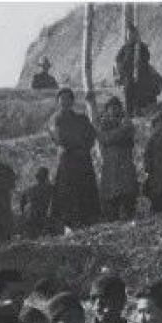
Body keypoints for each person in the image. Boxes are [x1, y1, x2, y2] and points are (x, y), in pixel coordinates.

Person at [49, 87, 100, 230]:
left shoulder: (81, 118)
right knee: (67, 191)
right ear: (58, 102)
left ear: (72, 101)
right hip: (67, 160)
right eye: (62, 99)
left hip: (82, 159)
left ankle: (87, 219)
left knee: (84, 188)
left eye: (68, 98)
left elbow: (91, 134)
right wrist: (74, 146)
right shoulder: (56, 120)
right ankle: (68, 222)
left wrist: (84, 148)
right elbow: (59, 138)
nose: (65, 102)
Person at [87, 94, 139, 221]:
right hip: (110, 161)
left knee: (127, 187)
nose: (114, 110)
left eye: (117, 107)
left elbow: (127, 132)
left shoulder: (126, 122)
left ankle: (128, 212)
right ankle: (112, 214)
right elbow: (104, 138)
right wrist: (119, 133)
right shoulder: (104, 124)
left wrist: (113, 135)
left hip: (125, 159)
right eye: (111, 107)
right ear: (107, 110)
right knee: (111, 188)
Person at [114, 23, 161, 116]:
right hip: (127, 74)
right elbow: (118, 60)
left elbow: (147, 57)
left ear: (135, 35)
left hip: (141, 72)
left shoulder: (141, 46)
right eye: (129, 35)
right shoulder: (124, 48)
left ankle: (139, 108)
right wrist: (122, 68)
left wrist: (139, 62)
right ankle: (129, 111)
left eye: (132, 34)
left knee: (141, 85)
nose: (131, 36)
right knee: (128, 87)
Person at [20, 166, 54, 238]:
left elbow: (22, 200)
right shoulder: (51, 189)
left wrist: (23, 212)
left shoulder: (32, 189)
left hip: (34, 217)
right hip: (41, 217)